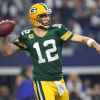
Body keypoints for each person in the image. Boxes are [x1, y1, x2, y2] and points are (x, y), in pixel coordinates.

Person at [1, 3, 100, 100]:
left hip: (59, 81)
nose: (47, 18)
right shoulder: (27, 35)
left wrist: (95, 44)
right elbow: (7, 52)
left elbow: (80, 38)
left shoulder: (57, 30)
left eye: (47, 15)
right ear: (34, 17)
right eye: (43, 15)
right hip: (43, 82)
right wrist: (4, 37)